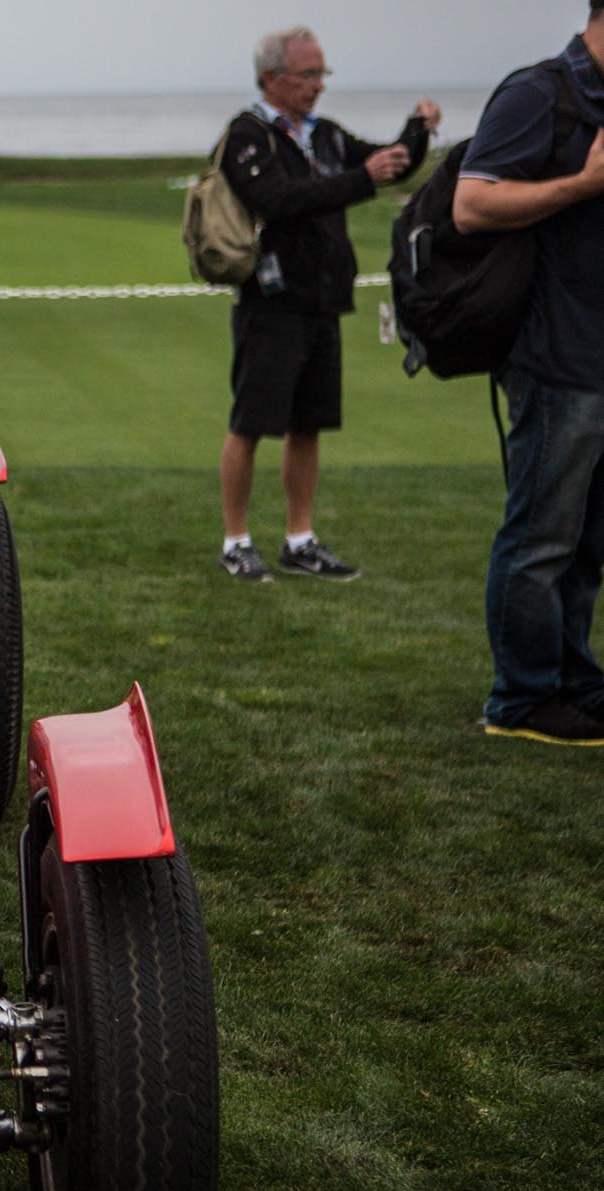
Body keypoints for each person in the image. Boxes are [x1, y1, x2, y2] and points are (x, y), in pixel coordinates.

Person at [214, 26, 438, 583]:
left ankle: (300, 538)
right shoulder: (248, 135)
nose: (318, 85)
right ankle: (236, 541)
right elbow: (278, 201)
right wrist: (362, 180)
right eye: (307, 75)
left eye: (322, 74)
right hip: (270, 302)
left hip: (322, 299)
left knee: (308, 424)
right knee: (250, 424)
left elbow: (391, 163)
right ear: (271, 79)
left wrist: (419, 127)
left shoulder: (327, 136)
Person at [454, 7, 604, 747]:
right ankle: (518, 699)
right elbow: (471, 202)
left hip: (597, 354)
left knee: (586, 541)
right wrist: (580, 183)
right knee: (540, 537)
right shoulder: (540, 92)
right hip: (556, 357)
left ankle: (574, 681)